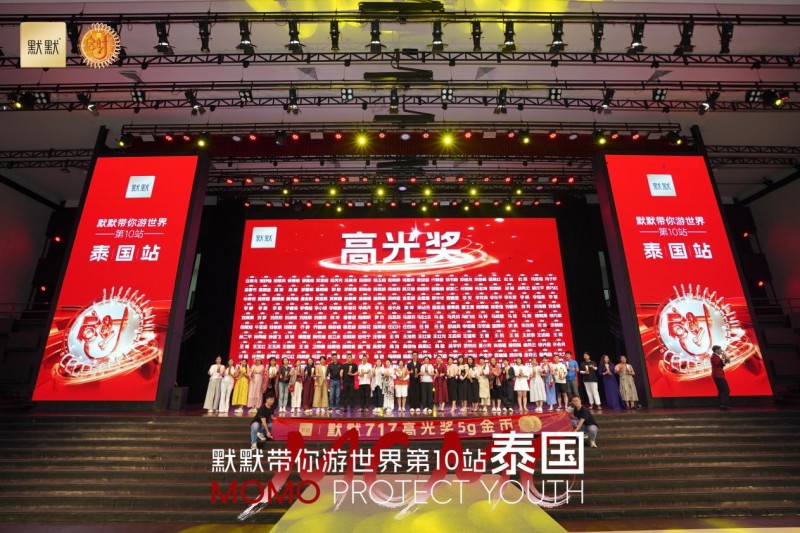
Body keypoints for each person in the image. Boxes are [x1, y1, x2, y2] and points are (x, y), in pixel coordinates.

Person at [710, 345, 731, 410]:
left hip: (719, 375)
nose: (721, 351)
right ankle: (723, 404)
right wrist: (723, 358)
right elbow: (718, 363)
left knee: (722, 390)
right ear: (716, 350)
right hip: (718, 375)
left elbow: (721, 364)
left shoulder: (716, 356)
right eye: (720, 349)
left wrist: (726, 360)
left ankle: (723, 405)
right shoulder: (714, 356)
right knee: (725, 390)